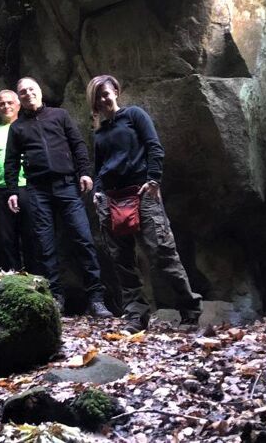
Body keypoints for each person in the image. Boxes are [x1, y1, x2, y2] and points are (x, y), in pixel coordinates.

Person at [86, 74, 202, 333]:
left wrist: (154, 180)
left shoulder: (135, 115)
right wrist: (98, 192)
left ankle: (189, 310)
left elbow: (154, 147)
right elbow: (100, 167)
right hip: (112, 200)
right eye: (98, 97)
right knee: (122, 261)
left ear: (115, 90)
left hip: (142, 195)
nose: (103, 100)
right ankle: (135, 316)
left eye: (106, 93)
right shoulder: (100, 133)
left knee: (162, 253)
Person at [4, 77, 111, 317]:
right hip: (37, 191)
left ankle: (96, 298)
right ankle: (55, 297)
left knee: (84, 239)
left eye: (31, 89)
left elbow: (77, 144)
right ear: (19, 99)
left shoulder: (59, 115)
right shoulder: (17, 127)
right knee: (44, 245)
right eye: (22, 92)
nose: (28, 94)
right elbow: (10, 162)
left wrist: (84, 172)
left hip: (67, 187)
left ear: (40, 92)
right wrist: (12, 191)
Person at [0, 90, 36, 272]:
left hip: (25, 186)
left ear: (18, 105)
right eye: (2, 104)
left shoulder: (28, 127)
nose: (6, 106)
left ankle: (33, 276)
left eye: (10, 103)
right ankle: (12, 276)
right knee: (6, 237)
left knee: (31, 233)